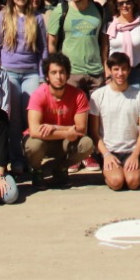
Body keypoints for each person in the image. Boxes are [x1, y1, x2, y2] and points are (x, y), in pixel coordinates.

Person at [24, 54, 95, 187]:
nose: (58, 77)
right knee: (33, 146)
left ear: (68, 75)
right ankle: (37, 170)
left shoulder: (78, 95)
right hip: (43, 141)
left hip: (64, 141)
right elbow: (34, 131)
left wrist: (56, 128)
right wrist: (67, 132)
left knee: (87, 144)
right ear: (47, 76)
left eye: (62, 72)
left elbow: (81, 129)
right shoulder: (38, 95)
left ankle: (61, 168)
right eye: (54, 72)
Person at [0, 0, 48, 141]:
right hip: (9, 72)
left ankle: (30, 152)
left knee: (30, 114)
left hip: (31, 73)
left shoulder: (36, 17)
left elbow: (43, 48)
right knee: (14, 117)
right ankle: (16, 156)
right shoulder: (2, 16)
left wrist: (43, 76)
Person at [90, 53, 140, 191]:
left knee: (133, 182)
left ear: (129, 70)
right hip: (109, 150)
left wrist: (136, 154)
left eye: (124, 69)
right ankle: (111, 171)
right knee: (117, 182)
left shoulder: (139, 95)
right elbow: (93, 132)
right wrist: (106, 155)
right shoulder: (98, 96)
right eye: (116, 69)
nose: (120, 73)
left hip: (131, 150)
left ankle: (130, 168)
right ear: (110, 70)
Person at [46, 0, 106, 95]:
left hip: (96, 73)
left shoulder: (99, 10)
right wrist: (59, 69)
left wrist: (105, 68)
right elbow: (51, 44)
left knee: (97, 113)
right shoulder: (61, 11)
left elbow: (104, 43)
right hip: (71, 74)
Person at [106, 0, 140, 90]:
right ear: (117, 6)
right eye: (121, 3)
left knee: (135, 103)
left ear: (133, 4)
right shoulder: (109, 26)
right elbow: (104, 54)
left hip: (136, 73)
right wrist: (107, 74)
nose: (125, 5)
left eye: (128, 2)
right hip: (115, 73)